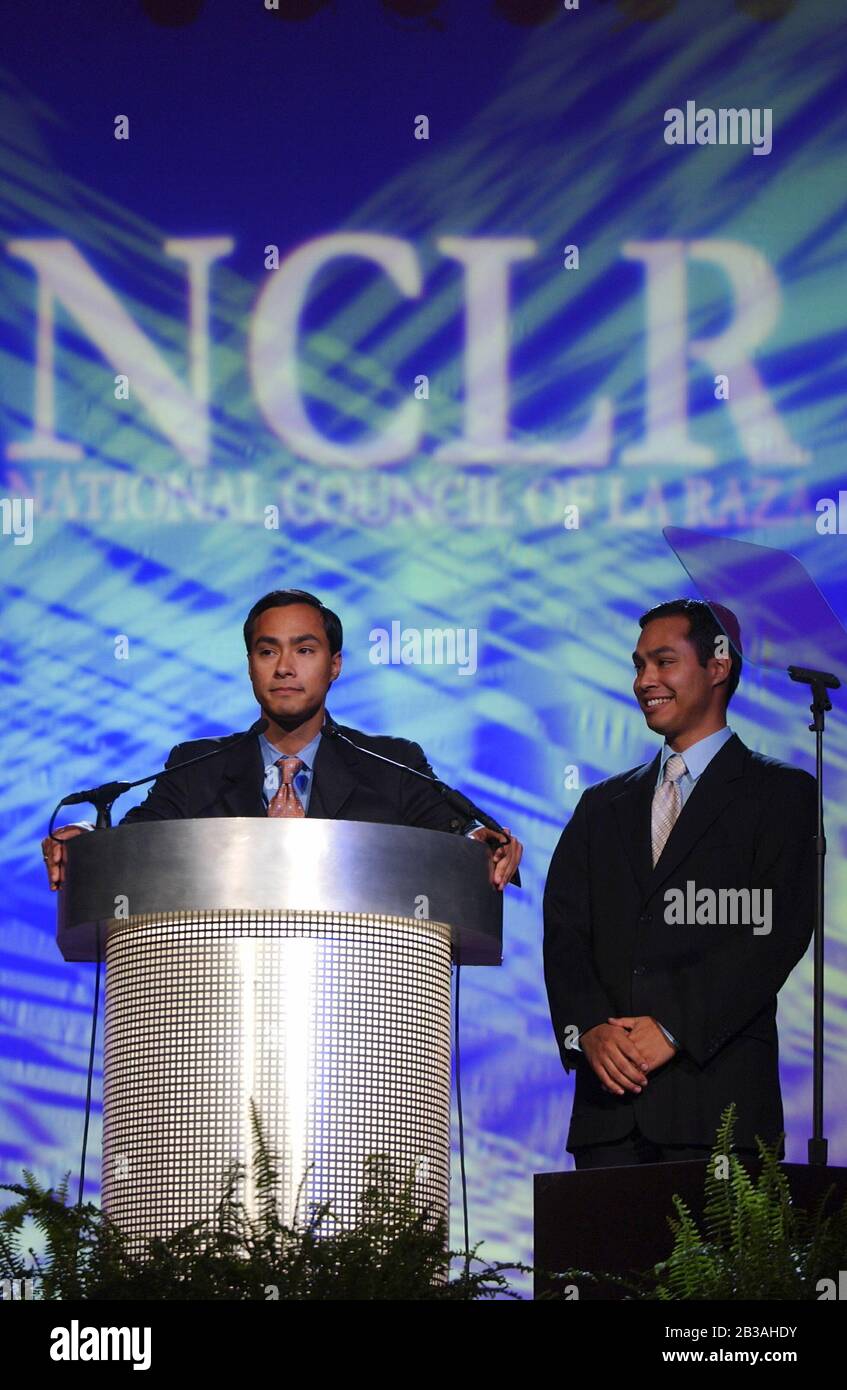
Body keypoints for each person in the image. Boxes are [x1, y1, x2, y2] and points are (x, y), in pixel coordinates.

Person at [543, 598, 815, 1168]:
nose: (645, 681)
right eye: (639, 665)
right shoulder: (602, 804)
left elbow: (776, 930)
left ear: (718, 666)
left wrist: (672, 1026)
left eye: (663, 662)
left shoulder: (779, 792)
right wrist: (588, 1029)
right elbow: (565, 931)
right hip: (609, 1112)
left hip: (719, 1106)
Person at [42, 589, 522, 891]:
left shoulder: (391, 764)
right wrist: (83, 841)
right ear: (250, 664)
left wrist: (482, 842)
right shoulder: (198, 765)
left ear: (335, 664)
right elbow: (139, 838)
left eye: (305, 650)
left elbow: (453, 834)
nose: (285, 667)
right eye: (267, 650)